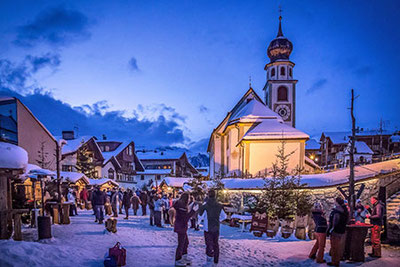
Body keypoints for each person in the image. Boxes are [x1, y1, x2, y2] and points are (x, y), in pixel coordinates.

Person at [198, 190, 226, 266]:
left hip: (207, 228)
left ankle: (209, 262)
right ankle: (215, 261)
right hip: (216, 227)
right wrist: (218, 220)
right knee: (216, 244)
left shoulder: (205, 206)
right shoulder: (219, 205)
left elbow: (200, 216)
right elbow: (224, 216)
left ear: (208, 195)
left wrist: (198, 223)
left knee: (209, 245)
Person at [173, 192, 198, 267]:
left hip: (180, 226)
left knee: (185, 242)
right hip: (181, 226)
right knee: (181, 243)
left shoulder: (180, 205)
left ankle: (183, 257)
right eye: (189, 198)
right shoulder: (182, 207)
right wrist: (193, 211)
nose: (189, 199)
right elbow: (185, 218)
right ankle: (178, 260)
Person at [327, 197, 349, 267]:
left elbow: (334, 222)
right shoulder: (345, 210)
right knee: (337, 247)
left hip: (335, 231)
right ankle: (336, 261)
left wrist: (329, 230)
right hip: (341, 230)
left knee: (334, 247)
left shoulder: (337, 211)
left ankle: (335, 262)